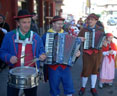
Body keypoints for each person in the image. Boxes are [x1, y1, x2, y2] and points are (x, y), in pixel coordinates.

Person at [0, 9, 46, 96]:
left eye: (29, 22)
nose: (27, 25)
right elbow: (2, 52)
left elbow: (41, 50)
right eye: (24, 22)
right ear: (18, 23)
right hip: (14, 73)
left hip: (31, 74)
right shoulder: (9, 36)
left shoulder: (36, 37)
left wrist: (42, 55)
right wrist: (9, 57)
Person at [42, 16, 81, 96]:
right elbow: (41, 49)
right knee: (54, 88)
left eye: (62, 24)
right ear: (53, 24)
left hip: (65, 66)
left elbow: (73, 49)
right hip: (53, 66)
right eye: (58, 24)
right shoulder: (46, 36)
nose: (61, 26)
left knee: (69, 87)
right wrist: (43, 54)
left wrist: (77, 54)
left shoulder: (67, 35)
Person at [78, 13, 105, 96]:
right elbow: (77, 39)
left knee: (95, 70)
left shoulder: (100, 29)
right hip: (87, 53)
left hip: (97, 53)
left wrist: (104, 41)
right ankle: (83, 87)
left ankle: (93, 87)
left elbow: (103, 38)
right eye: (88, 19)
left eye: (92, 20)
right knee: (86, 70)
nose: (89, 21)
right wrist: (79, 39)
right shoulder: (84, 30)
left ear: (96, 21)